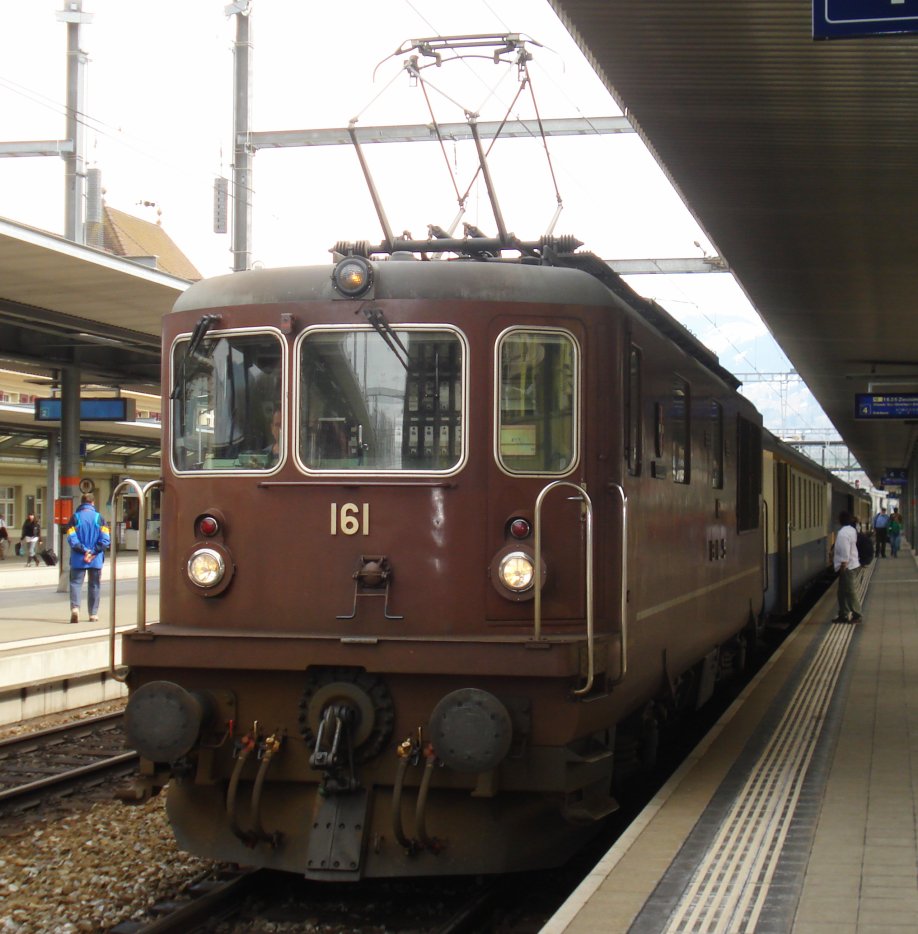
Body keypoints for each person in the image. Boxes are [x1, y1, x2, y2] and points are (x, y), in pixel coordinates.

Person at [66, 493, 111, 625]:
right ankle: (93, 614)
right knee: (94, 585)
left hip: (78, 558)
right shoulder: (99, 518)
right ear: (92, 503)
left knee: (75, 584)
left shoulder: (74, 518)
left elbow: (72, 538)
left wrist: (84, 550)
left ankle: (75, 608)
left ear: (81, 503)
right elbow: (105, 539)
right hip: (95, 559)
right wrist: (93, 551)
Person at [832, 510, 862, 623]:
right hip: (853, 564)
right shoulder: (852, 530)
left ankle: (857, 614)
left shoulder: (843, 533)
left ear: (841, 520)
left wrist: (844, 564)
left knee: (849, 591)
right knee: (842, 592)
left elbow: (845, 549)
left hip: (848, 566)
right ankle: (843, 614)